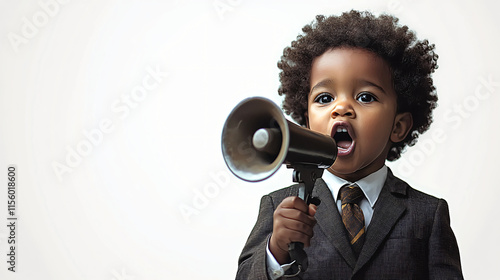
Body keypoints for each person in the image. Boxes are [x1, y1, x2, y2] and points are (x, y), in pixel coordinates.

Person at [235, 10, 463, 279]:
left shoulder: (428, 214)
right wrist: (276, 251)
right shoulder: (278, 206)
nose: (341, 107)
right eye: (324, 98)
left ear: (398, 126)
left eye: (365, 97)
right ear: (307, 121)